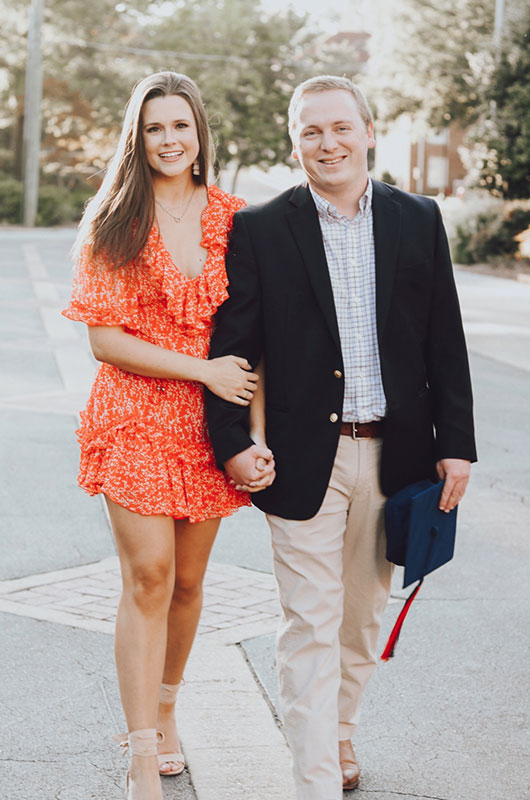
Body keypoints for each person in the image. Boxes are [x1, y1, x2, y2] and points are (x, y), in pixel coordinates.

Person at [206, 75, 477, 800]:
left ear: (367, 131)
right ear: (293, 141)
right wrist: (232, 439)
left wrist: (458, 443)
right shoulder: (261, 228)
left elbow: (444, 339)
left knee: (361, 622)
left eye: (339, 128)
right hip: (303, 460)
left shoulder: (417, 218)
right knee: (310, 624)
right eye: (310, 132)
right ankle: (316, 779)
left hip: (398, 457)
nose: (327, 143)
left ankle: (340, 732)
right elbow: (234, 346)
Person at [62, 71, 274, 800]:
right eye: (154, 128)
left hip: (207, 426)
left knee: (187, 583)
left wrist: (256, 430)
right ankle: (140, 753)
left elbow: (258, 337)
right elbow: (104, 339)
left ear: (199, 134)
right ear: (138, 137)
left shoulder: (237, 219)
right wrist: (203, 370)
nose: (169, 140)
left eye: (180, 126)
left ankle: (168, 705)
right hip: (133, 412)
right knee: (148, 575)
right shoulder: (114, 219)